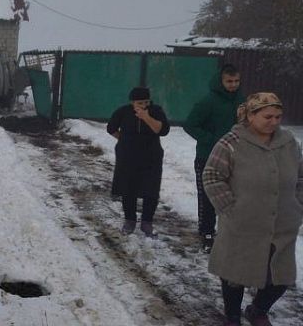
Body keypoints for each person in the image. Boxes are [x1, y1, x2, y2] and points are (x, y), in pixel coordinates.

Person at [203, 92, 303, 326]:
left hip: (282, 224)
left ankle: (258, 309)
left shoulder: (288, 142)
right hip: (242, 224)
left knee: (280, 278)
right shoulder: (231, 142)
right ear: (250, 115)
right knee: (234, 276)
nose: (274, 122)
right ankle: (233, 316)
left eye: (278, 116)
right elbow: (212, 176)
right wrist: (230, 207)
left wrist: (299, 204)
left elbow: (301, 177)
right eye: (268, 116)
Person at [183, 64, 244, 253]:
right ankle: (207, 233)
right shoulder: (208, 102)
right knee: (209, 197)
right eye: (229, 81)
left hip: (236, 159)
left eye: (236, 81)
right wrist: (213, 141)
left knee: (234, 197)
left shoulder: (243, 101)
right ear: (221, 81)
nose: (233, 85)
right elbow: (190, 125)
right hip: (207, 157)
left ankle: (231, 234)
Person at [107, 87, 170, 236]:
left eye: (146, 102)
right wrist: (124, 140)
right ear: (133, 102)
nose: (143, 105)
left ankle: (147, 222)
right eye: (140, 103)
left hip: (151, 155)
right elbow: (111, 128)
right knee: (128, 187)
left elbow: (163, 130)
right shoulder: (123, 111)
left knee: (151, 188)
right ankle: (130, 220)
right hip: (128, 156)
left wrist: (146, 117)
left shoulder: (156, 111)